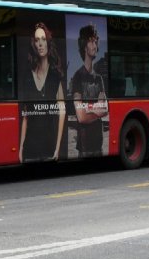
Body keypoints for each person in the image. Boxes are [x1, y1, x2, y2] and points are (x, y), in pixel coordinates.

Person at [20, 22, 66, 162]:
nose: (40, 43)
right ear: (34, 44)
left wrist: (57, 149)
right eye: (37, 40)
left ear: (48, 42)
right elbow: (26, 116)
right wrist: (21, 148)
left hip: (49, 146)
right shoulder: (28, 75)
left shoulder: (55, 75)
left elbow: (62, 113)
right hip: (30, 148)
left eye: (43, 39)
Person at [70, 24, 108, 157]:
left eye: (96, 41)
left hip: (99, 143)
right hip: (84, 145)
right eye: (91, 41)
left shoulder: (99, 78)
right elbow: (81, 117)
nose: (95, 45)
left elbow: (104, 109)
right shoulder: (77, 77)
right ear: (84, 46)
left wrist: (88, 109)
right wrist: (95, 109)